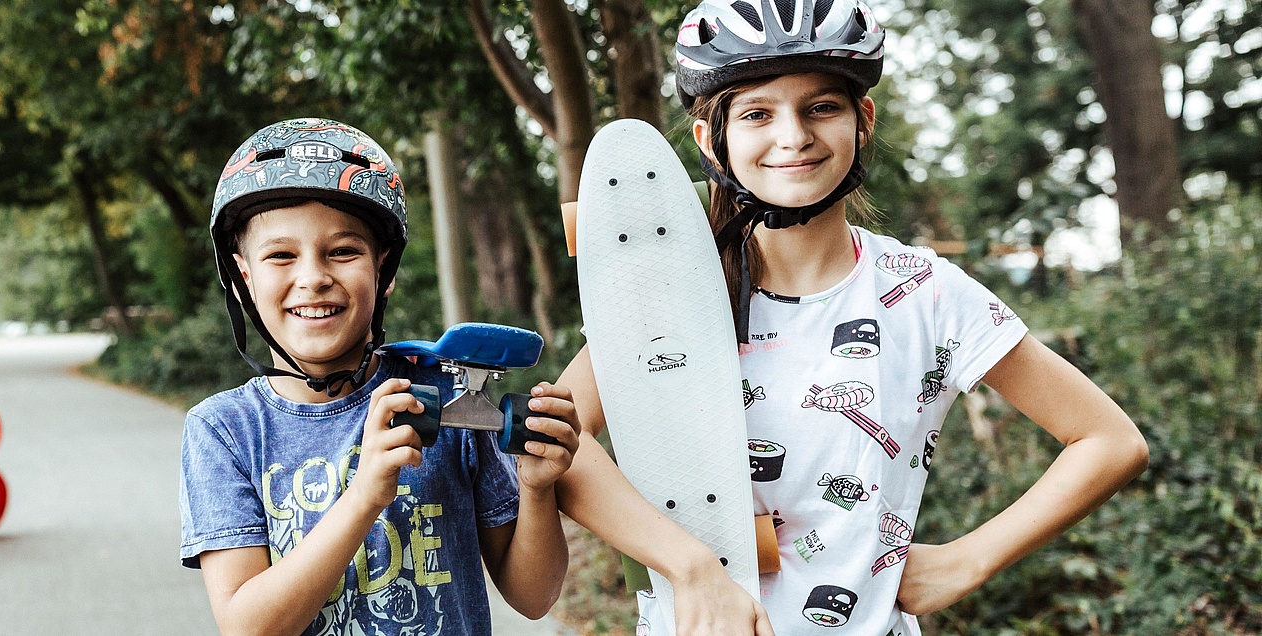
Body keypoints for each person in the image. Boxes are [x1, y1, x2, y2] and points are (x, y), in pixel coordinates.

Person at [550, 0, 1151, 634]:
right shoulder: (671, 292)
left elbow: (1110, 442)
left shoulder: (923, 292)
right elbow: (556, 440)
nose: (793, 136)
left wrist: (967, 561)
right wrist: (689, 566)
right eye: (757, 113)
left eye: (821, 107)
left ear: (862, 120)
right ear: (712, 140)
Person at [179, 118, 584, 635]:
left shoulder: (446, 395)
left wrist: (536, 489)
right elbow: (248, 627)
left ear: (382, 269)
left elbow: (534, 596)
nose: (313, 278)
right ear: (242, 277)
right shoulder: (224, 431)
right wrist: (364, 495)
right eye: (281, 255)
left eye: (343, 251)